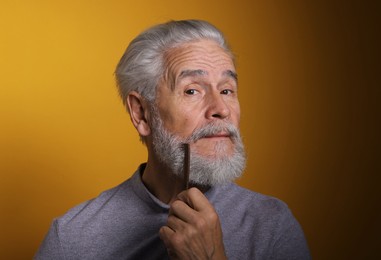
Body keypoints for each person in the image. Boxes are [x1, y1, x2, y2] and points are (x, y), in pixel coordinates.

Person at [35, 20, 310, 259]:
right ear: (141, 113)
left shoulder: (272, 225)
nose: (221, 109)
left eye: (227, 90)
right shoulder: (71, 239)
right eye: (192, 91)